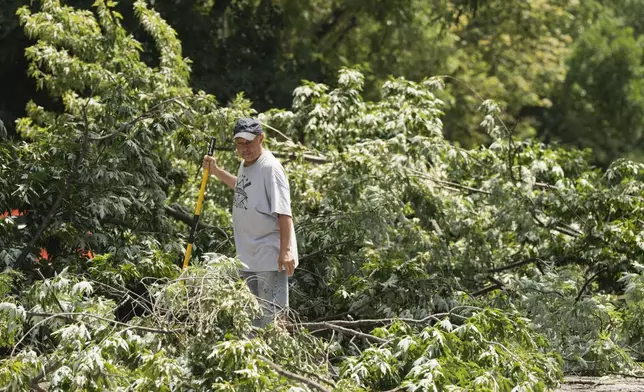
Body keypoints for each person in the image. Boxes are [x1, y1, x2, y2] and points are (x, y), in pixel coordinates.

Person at [203, 118, 297, 327]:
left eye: (249, 142)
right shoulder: (246, 164)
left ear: (261, 139)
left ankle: (275, 355)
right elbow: (242, 187)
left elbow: (284, 212)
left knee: (270, 317)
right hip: (248, 254)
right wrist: (216, 172)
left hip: (269, 255)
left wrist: (286, 250)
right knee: (251, 315)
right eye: (240, 143)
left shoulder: (270, 168)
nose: (245, 148)